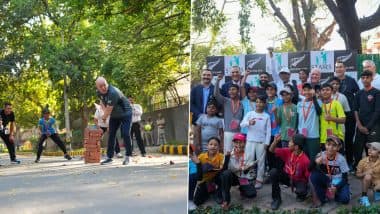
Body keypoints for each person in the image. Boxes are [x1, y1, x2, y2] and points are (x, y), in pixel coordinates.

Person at [95, 77, 133, 165]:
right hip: (114, 115)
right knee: (111, 134)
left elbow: (109, 109)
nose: (103, 87)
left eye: (104, 85)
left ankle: (128, 156)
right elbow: (102, 103)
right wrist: (105, 114)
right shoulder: (99, 93)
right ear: (97, 87)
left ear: (107, 83)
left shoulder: (113, 92)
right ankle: (109, 158)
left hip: (125, 113)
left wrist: (104, 117)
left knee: (125, 133)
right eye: (101, 86)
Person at [268, 134, 310, 210]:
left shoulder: (305, 160)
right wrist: (275, 142)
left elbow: (308, 177)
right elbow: (271, 150)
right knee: (273, 172)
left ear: (296, 147)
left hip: (298, 180)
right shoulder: (288, 151)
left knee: (301, 190)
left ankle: (302, 193)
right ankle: (276, 199)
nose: (288, 143)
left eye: (290, 142)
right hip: (287, 177)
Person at [309, 136, 350, 207]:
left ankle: (335, 192)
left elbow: (345, 178)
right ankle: (323, 195)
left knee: (345, 199)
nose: (330, 147)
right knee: (314, 175)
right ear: (325, 145)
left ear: (338, 147)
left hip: (338, 181)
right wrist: (315, 162)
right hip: (326, 180)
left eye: (334, 145)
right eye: (328, 144)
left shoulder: (341, 159)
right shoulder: (321, 155)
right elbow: (309, 169)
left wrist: (336, 187)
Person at [240, 95, 271, 189]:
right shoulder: (250, 114)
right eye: (257, 102)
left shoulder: (266, 116)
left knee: (261, 162)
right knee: (248, 160)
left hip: (261, 142)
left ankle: (259, 180)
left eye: (261, 102)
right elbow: (241, 124)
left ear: (264, 104)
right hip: (250, 141)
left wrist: (267, 143)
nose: (259, 104)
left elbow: (268, 131)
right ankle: (247, 178)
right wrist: (249, 123)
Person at [219, 133, 256, 210]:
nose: (238, 145)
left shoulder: (249, 155)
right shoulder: (228, 154)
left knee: (251, 194)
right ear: (233, 143)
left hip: (243, 178)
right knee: (226, 174)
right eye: (236, 142)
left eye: (241, 142)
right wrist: (227, 158)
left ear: (245, 143)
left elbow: (250, 174)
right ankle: (226, 200)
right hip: (232, 177)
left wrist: (247, 169)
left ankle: (241, 189)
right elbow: (223, 170)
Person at [334, 60, 359, 170]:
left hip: (348, 116)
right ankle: (335, 163)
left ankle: (349, 162)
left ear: (345, 69)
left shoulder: (351, 81)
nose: (339, 69)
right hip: (334, 118)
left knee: (348, 140)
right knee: (335, 140)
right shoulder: (332, 81)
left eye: (341, 67)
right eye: (337, 67)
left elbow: (357, 96)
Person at [353, 70, 380, 171]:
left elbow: (378, 111)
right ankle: (358, 169)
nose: (365, 80)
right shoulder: (359, 93)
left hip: (373, 126)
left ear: (371, 79)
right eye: (363, 78)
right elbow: (355, 110)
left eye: (367, 77)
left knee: (373, 150)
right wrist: (359, 125)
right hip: (361, 126)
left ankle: (375, 171)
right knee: (357, 149)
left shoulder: (377, 93)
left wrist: (368, 127)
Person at [214, 75, 244, 154]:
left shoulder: (242, 104)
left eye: (233, 89)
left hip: (239, 132)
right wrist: (217, 81)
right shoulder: (226, 101)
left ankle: (236, 167)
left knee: (238, 153)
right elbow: (216, 95)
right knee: (227, 152)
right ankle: (227, 166)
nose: (231, 91)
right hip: (228, 132)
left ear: (238, 91)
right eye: (229, 90)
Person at [191, 137, 224, 206]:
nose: (213, 146)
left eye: (215, 145)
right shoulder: (201, 156)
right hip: (204, 180)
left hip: (216, 179)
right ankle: (209, 190)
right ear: (207, 146)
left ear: (218, 147)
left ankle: (218, 192)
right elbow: (196, 169)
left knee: (223, 174)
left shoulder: (221, 156)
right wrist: (198, 163)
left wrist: (220, 167)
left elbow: (222, 167)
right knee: (197, 201)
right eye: (211, 144)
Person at [296, 83, 322, 161]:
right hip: (301, 135)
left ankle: (314, 173)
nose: (307, 92)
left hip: (313, 135)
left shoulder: (318, 102)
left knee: (313, 158)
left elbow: (319, 112)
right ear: (302, 92)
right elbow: (298, 118)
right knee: (303, 157)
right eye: (305, 90)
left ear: (313, 91)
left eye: (309, 90)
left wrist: (314, 97)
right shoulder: (300, 103)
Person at [319, 83, 346, 150]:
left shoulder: (336, 103)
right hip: (323, 138)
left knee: (337, 159)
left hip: (336, 137)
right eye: (323, 90)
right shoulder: (319, 104)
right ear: (320, 92)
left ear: (332, 91)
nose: (325, 91)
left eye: (327, 90)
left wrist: (331, 118)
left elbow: (343, 120)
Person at [356, 142, 380, 207]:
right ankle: (364, 197)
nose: (370, 150)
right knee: (368, 176)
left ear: (379, 153)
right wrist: (365, 173)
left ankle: (377, 192)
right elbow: (357, 175)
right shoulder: (362, 161)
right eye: (369, 148)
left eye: (374, 149)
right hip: (367, 182)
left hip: (377, 182)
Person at [240, 70, 259, 134]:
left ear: (257, 94)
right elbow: (242, 86)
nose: (252, 94)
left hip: (256, 131)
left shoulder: (260, 103)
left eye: (254, 92)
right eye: (250, 92)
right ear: (247, 94)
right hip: (245, 130)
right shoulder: (245, 101)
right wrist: (245, 75)